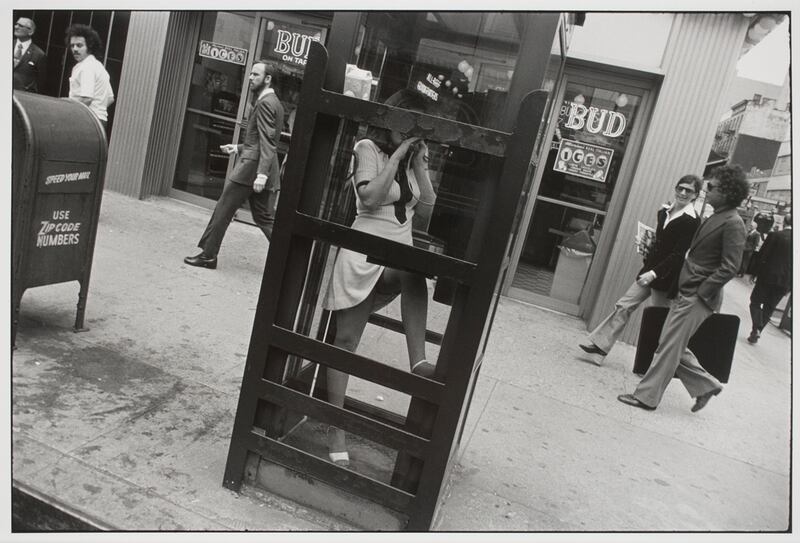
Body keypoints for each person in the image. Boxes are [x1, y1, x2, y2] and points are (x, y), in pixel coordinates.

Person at [321, 120, 437, 467]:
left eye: (420, 127)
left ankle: (418, 362)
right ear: (390, 123)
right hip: (363, 249)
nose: (412, 132)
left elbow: (428, 209)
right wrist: (397, 154)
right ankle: (335, 427)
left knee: (414, 271)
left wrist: (418, 163)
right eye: (407, 124)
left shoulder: (415, 160)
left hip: (397, 252)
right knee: (345, 342)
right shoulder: (367, 149)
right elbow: (369, 198)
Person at [618, 164, 749, 413]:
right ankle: (706, 385)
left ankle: (646, 397)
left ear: (728, 192)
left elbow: (730, 267)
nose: (706, 191)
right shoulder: (717, 216)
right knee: (670, 342)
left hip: (698, 297)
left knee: (668, 346)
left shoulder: (733, 223)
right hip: (688, 291)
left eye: (711, 187)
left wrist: (702, 291)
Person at [579, 175, 702, 363]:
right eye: (681, 188)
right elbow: (661, 243)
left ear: (696, 195)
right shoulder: (664, 212)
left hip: (665, 278)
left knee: (661, 324)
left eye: (689, 191)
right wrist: (646, 245)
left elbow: (678, 255)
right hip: (648, 271)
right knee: (624, 306)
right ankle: (600, 348)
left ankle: (671, 366)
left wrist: (654, 274)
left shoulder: (692, 221)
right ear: (675, 188)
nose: (683, 193)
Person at [184, 61, 285, 269]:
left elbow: (267, 141)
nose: (250, 78)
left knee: (224, 208)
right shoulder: (275, 102)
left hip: (251, 169)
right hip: (259, 165)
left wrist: (261, 175)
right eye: (250, 74)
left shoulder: (266, 103)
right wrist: (239, 147)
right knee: (264, 217)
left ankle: (208, 256)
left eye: (255, 75)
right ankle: (289, 258)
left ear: (268, 79)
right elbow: (263, 140)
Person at [747, 214, 792, 344]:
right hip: (785, 281)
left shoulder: (775, 235)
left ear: (784, 221)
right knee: (770, 307)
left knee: (755, 301)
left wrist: (754, 273)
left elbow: (763, 255)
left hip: (767, 276)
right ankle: (757, 331)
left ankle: (756, 327)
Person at [65, 24, 114, 130]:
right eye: (72, 46)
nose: (75, 49)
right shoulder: (98, 66)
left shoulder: (87, 67)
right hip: (99, 120)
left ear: (90, 46)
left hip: (85, 120)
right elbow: (110, 98)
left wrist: (67, 112)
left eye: (79, 45)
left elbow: (87, 99)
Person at [13, 16, 47, 93]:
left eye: (20, 26)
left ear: (30, 32)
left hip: (23, 97)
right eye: (16, 24)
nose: (16, 27)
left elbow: (40, 83)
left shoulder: (39, 55)